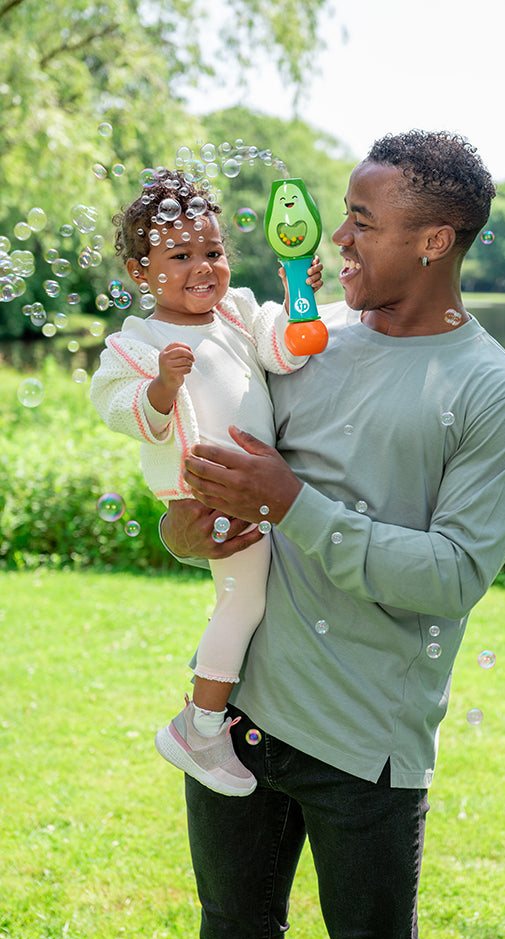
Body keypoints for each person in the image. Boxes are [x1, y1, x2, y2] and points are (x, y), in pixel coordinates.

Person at [160, 130, 505, 939]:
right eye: (343, 216)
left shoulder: (499, 392)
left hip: (365, 740)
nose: (335, 238)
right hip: (237, 721)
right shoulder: (302, 342)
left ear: (434, 239)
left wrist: (290, 500)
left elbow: (451, 576)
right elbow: (227, 500)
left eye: (361, 222)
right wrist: (187, 533)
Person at [89, 169, 323, 798]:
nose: (204, 267)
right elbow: (114, 404)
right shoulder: (139, 341)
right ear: (142, 273)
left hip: (259, 489)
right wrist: (162, 386)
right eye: (181, 255)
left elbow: (287, 350)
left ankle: (219, 715)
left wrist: (299, 291)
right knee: (242, 602)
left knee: (257, 598)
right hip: (212, 494)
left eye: (214, 252)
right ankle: (201, 726)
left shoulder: (238, 312)